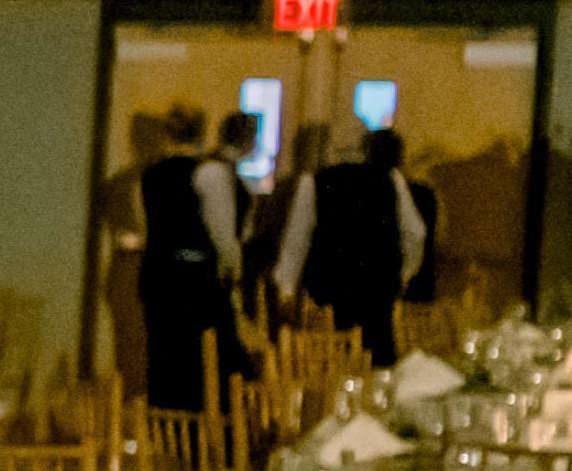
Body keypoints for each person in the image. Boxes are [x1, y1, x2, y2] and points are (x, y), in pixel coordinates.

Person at [278, 124, 437, 361]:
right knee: (378, 357)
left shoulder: (314, 182)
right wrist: (404, 273)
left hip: (328, 292)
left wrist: (286, 288)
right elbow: (415, 232)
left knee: (331, 360)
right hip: (377, 290)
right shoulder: (390, 179)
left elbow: (297, 239)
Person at [127, 107, 243, 411]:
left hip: (158, 278)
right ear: (202, 132)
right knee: (204, 367)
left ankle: (167, 427)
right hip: (197, 282)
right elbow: (223, 236)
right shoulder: (210, 173)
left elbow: (146, 230)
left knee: (165, 360)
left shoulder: (148, 176)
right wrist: (231, 271)